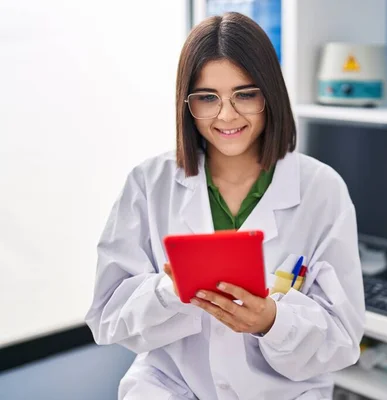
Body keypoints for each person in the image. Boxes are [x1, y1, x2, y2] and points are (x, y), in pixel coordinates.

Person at [85, 11, 365, 400]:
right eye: (207, 98)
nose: (226, 115)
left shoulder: (322, 190)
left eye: (245, 94)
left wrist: (273, 320)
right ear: (187, 104)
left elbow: (343, 339)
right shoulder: (149, 183)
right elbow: (108, 318)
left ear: (270, 95)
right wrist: (169, 290)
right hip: (170, 389)